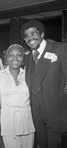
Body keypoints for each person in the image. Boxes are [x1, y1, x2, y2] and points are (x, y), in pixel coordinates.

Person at [21, 20, 67, 148]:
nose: (30, 37)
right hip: (36, 114)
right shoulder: (28, 58)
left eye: (33, 33)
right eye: (26, 36)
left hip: (56, 111)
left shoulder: (59, 48)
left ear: (41, 34)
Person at [0, 44, 35, 148]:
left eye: (19, 55)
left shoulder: (29, 75)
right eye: (11, 55)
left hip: (27, 122)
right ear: (6, 58)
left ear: (23, 59)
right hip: (8, 122)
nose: (15, 58)